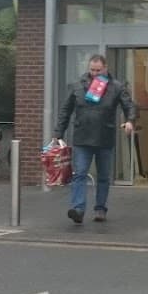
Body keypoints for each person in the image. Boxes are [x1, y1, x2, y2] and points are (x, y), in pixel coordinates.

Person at [55, 54, 137, 225]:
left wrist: (130, 120)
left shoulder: (116, 87)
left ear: (105, 68)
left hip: (104, 137)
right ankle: (78, 209)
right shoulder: (78, 86)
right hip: (82, 137)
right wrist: (58, 133)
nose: (95, 73)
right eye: (92, 70)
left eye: (98, 70)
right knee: (80, 173)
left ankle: (100, 209)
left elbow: (129, 105)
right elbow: (65, 110)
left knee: (103, 176)